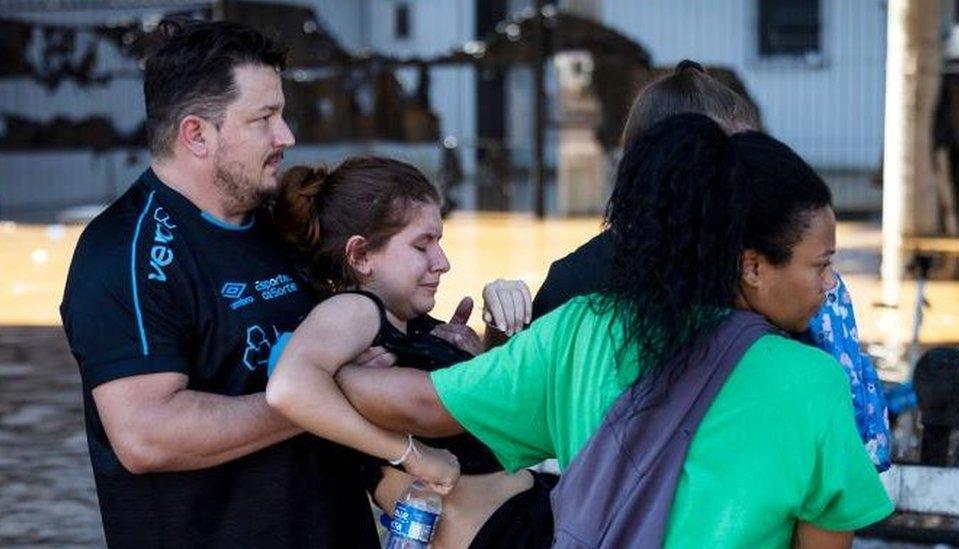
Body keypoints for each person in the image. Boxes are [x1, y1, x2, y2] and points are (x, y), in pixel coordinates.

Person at [278, 114, 895, 547]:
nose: (830, 286)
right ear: (752, 265)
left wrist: (352, 365)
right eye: (820, 265)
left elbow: (419, 402)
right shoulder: (813, 384)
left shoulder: (584, 329)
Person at [59, 20, 377, 547]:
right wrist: (321, 395)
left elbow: (371, 325)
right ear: (196, 134)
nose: (286, 136)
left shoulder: (291, 225)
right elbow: (146, 435)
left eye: (282, 113)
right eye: (264, 118)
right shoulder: (123, 255)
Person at [486, 60, 891, 471]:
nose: (745, 175)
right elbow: (512, 407)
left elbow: (852, 439)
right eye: (725, 163)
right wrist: (498, 331)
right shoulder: (581, 288)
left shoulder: (781, 275)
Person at [266, 157, 557, 548]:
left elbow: (494, 417)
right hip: (500, 534)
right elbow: (289, 387)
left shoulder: (411, 323)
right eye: (422, 245)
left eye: (440, 242)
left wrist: (493, 334)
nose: (443, 263)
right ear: (361, 256)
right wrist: (411, 455)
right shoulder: (355, 308)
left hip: (530, 514)